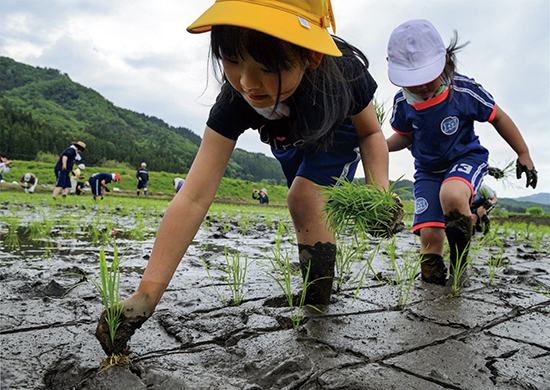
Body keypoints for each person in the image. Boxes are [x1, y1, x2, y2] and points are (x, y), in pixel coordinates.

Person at [96, 0, 389, 355]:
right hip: (289, 139)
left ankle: (317, 304)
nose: (248, 83)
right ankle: (318, 290)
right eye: (232, 60)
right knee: (306, 212)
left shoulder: (344, 73)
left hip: (336, 130)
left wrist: (380, 195)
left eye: (268, 66)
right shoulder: (234, 101)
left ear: (311, 56)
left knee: (303, 199)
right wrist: (147, 294)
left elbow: (371, 135)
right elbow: (193, 196)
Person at [386, 20, 537, 285]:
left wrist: (523, 153)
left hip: (465, 159)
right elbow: (404, 136)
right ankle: (436, 279)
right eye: (413, 82)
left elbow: (498, 117)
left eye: (427, 78)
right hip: (427, 171)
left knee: (453, 194)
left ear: (444, 61)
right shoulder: (402, 102)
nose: (421, 87)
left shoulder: (463, 91)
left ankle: (459, 263)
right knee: (430, 239)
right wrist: (377, 146)